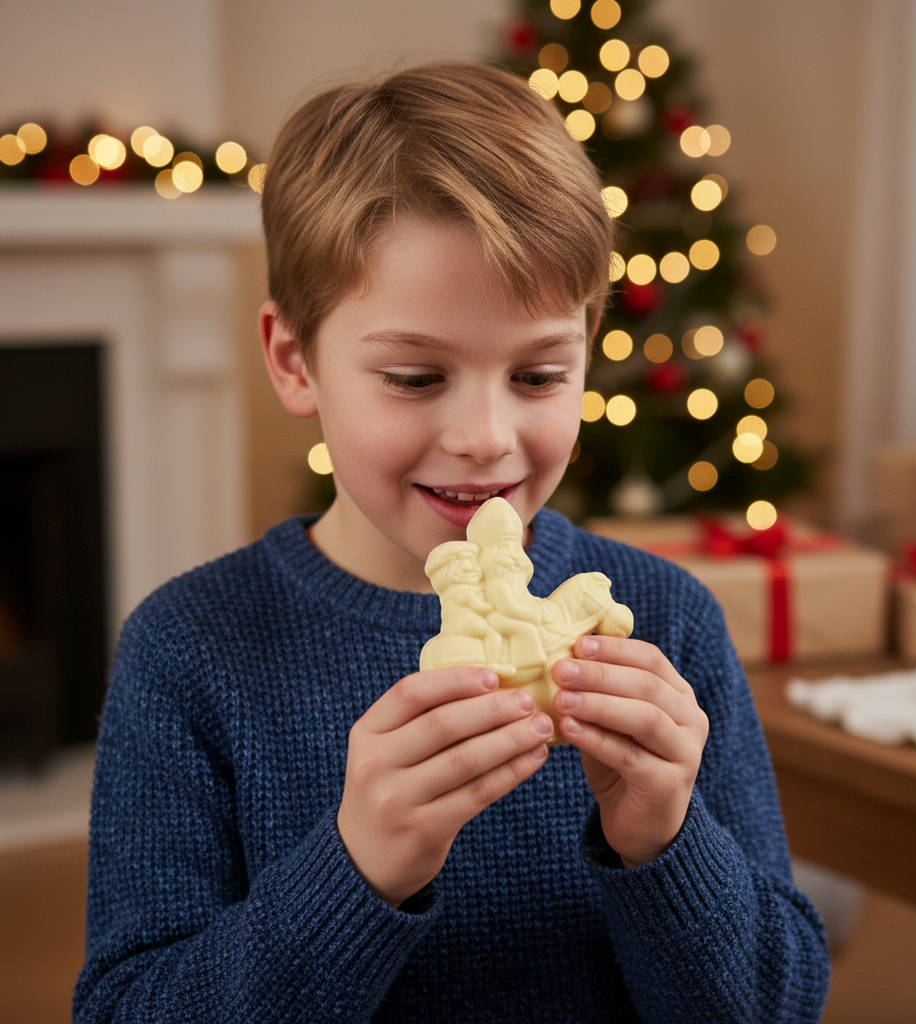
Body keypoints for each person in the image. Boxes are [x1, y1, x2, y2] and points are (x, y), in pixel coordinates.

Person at [73, 61, 830, 1023]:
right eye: (416, 377)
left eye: (538, 375)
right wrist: (354, 873)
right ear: (295, 361)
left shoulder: (666, 621)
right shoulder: (188, 648)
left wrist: (666, 845)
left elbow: (777, 1004)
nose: (484, 437)